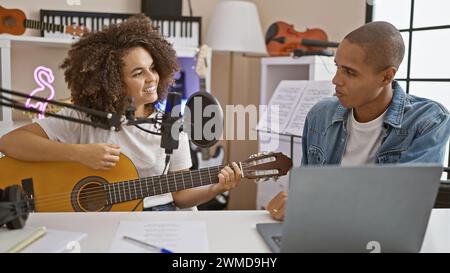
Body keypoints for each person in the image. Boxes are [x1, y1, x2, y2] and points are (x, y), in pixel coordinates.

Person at [0, 14, 241, 211]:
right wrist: (78, 153)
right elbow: (10, 142)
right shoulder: (83, 117)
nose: (151, 79)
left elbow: (180, 195)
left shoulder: (173, 121)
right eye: (138, 73)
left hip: (156, 216)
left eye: (153, 68)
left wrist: (215, 188)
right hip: (93, 222)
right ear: (112, 82)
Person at [266, 21, 450, 220]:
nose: (336, 80)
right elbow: (305, 188)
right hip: (321, 230)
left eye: (350, 72)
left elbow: (407, 203)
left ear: (386, 77)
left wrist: (314, 202)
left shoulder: (429, 121)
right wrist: (292, 203)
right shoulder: (320, 115)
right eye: (337, 67)